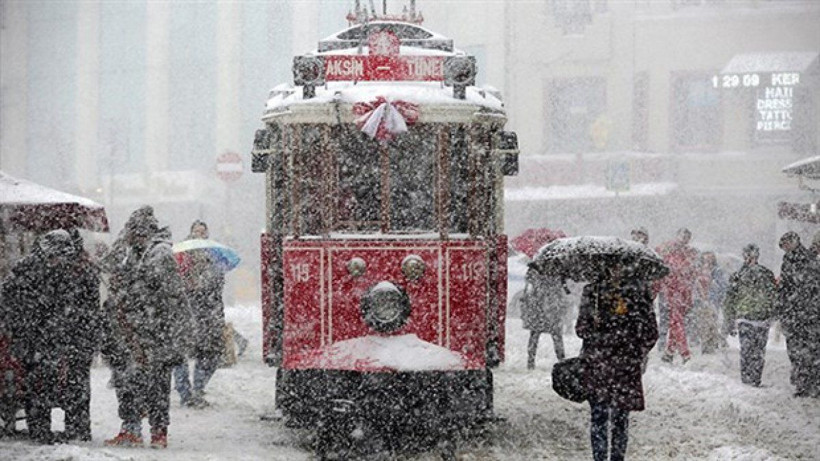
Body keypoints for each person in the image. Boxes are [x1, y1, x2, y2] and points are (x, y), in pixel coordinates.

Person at [102, 206, 192, 448]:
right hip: (131, 332)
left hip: (156, 333)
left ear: (143, 232)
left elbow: (164, 294)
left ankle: (158, 431)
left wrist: (129, 287)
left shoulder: (159, 254)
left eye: (131, 230)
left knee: (156, 386)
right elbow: (108, 265)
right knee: (127, 381)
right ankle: (131, 429)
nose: (129, 235)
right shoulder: (132, 252)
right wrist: (121, 243)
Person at [1, 229, 102, 443]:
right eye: (56, 256)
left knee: (71, 384)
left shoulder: (71, 270)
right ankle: (42, 429)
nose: (59, 261)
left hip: (60, 337)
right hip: (36, 338)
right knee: (39, 385)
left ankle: (74, 429)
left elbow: (85, 307)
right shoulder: (29, 269)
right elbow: (9, 301)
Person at [576, 262, 658, 461]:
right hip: (599, 362)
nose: (616, 270)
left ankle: (616, 458)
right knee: (599, 415)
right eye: (612, 265)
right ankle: (599, 458)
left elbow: (650, 332)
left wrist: (636, 350)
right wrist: (594, 325)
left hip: (623, 365)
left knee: (620, 418)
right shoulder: (593, 292)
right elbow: (581, 328)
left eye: (621, 265)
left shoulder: (639, 294)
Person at [173, 220, 227, 408]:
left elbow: (218, 283)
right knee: (180, 355)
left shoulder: (214, 254)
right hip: (187, 312)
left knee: (210, 354)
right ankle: (185, 392)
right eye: (196, 231)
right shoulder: (181, 254)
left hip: (208, 312)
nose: (199, 235)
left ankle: (197, 388)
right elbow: (175, 282)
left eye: (202, 232)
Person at [723, 244, 777, 387]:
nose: (750, 257)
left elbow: (773, 295)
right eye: (748, 255)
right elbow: (730, 299)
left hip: (756, 317)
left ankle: (752, 378)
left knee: (754, 350)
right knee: (751, 350)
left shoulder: (762, 274)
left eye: (752, 255)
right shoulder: (741, 275)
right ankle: (750, 378)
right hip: (749, 318)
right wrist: (729, 319)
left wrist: (773, 312)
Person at [776, 231, 820, 398]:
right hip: (804, 314)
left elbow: (787, 288)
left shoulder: (801, 261)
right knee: (806, 350)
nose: (785, 248)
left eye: (785, 245)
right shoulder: (799, 260)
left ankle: (805, 383)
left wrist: (785, 308)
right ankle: (808, 383)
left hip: (801, 314)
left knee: (802, 351)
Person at [656, 228, 699, 364]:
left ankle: (669, 351)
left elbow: (692, 273)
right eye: (683, 236)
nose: (684, 239)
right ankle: (685, 354)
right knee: (677, 321)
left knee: (675, 322)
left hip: (682, 292)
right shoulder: (668, 250)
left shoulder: (688, 253)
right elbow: (666, 270)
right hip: (673, 291)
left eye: (687, 237)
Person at [521, 268, 569, 368]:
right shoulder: (558, 269)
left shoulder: (535, 269)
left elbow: (528, 285)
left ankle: (531, 361)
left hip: (540, 307)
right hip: (551, 307)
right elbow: (564, 289)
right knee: (555, 336)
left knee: (535, 335)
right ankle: (561, 360)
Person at [694, 251, 727, 354]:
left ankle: (711, 343)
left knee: (711, 323)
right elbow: (694, 285)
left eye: (710, 258)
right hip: (700, 300)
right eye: (705, 258)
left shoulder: (717, 271)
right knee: (702, 323)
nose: (707, 260)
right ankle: (705, 343)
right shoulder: (698, 270)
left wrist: (713, 285)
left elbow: (723, 286)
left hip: (713, 300)